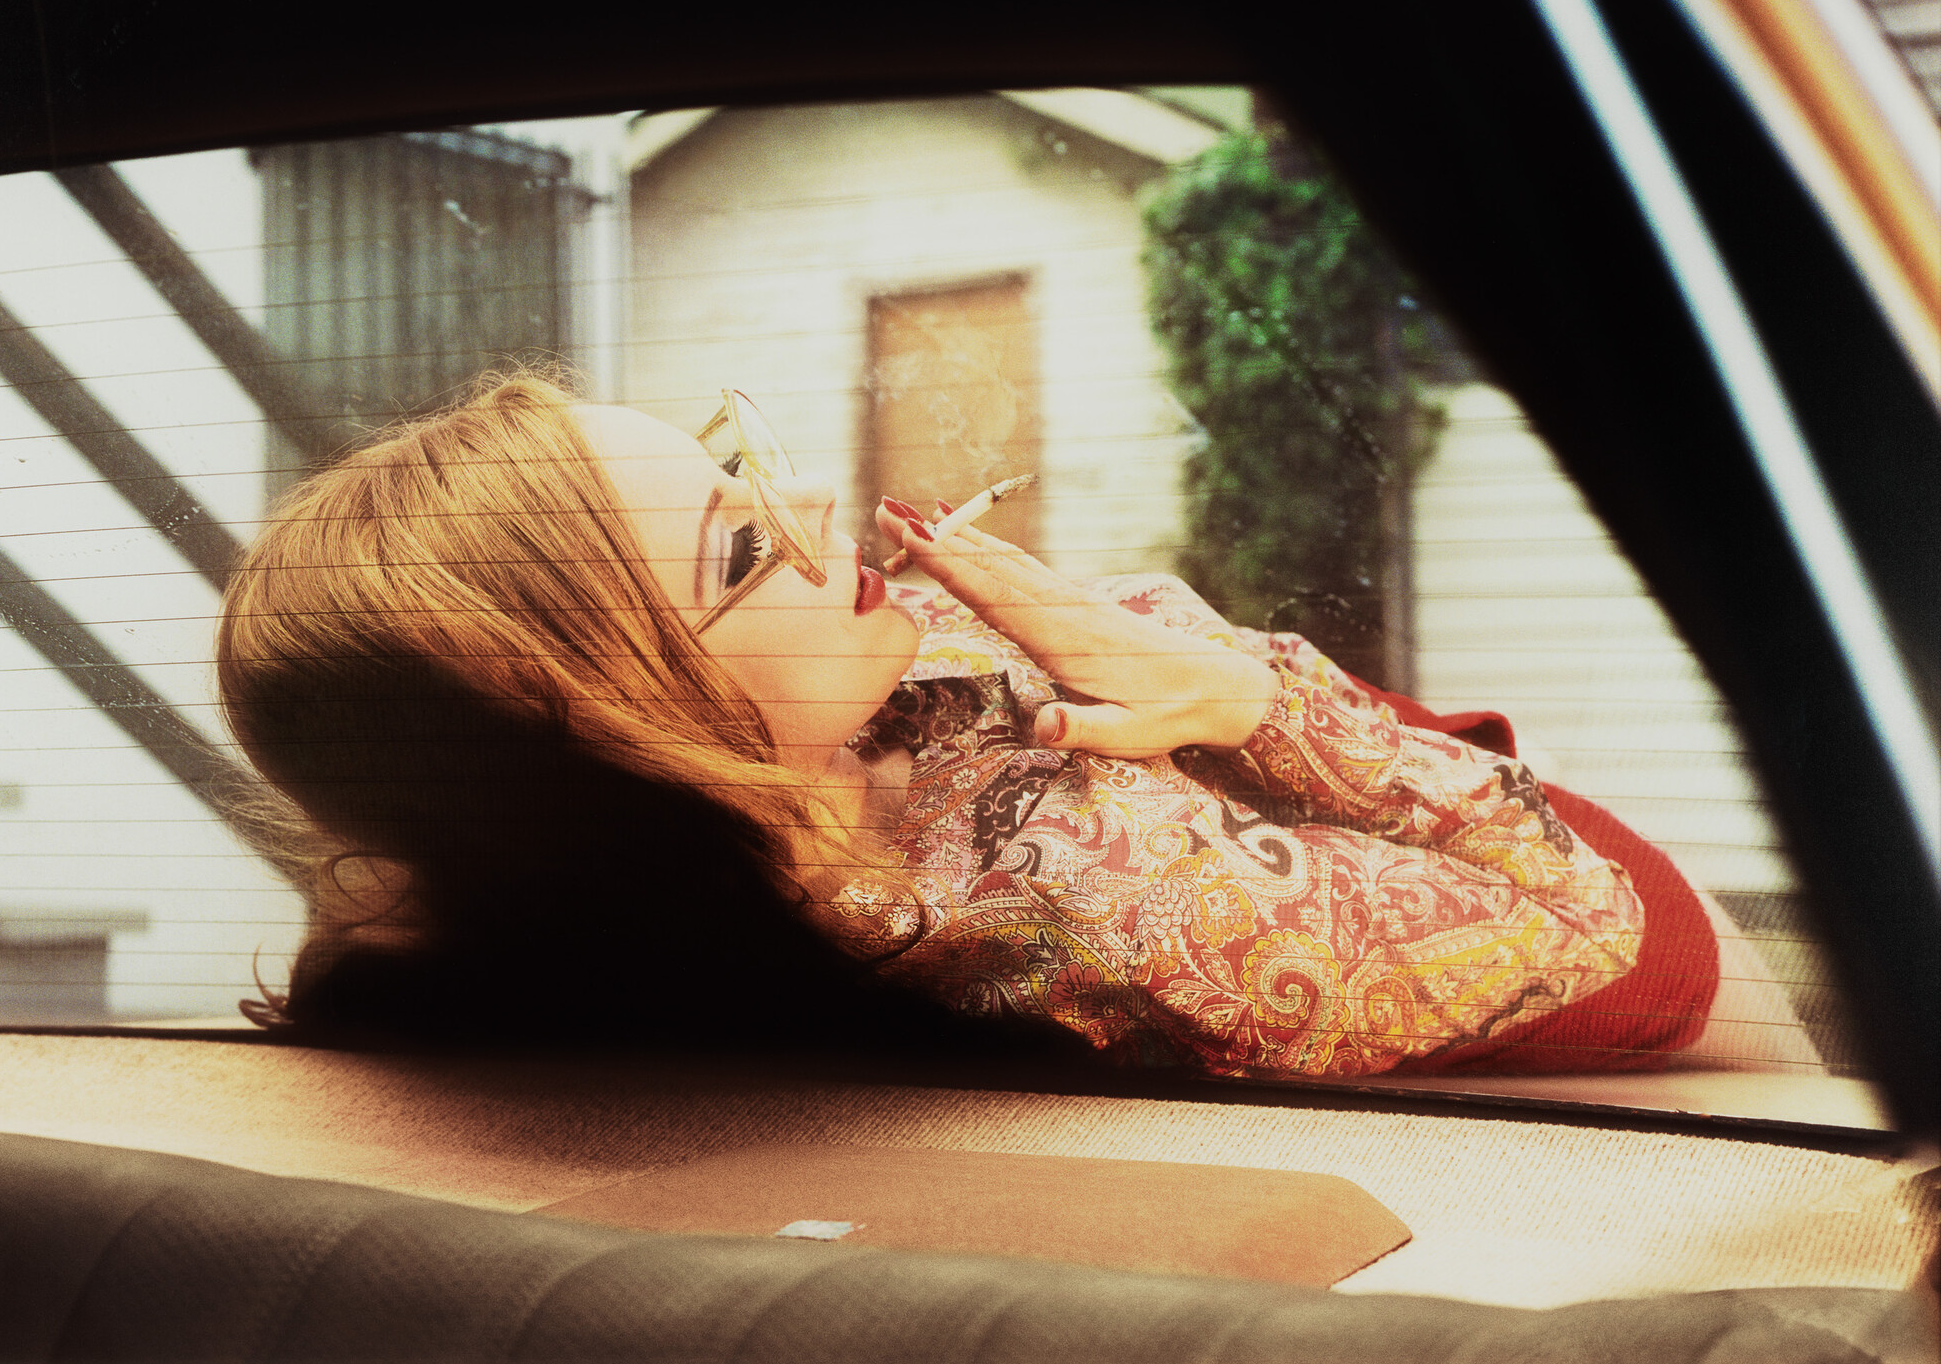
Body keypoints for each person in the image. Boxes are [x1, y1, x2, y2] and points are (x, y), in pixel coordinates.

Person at [219, 372, 1811, 1076]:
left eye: (740, 453)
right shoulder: (1072, 892)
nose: (819, 497)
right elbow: (1647, 942)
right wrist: (1245, 686)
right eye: (741, 538)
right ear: (635, 724)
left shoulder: (562, 926)